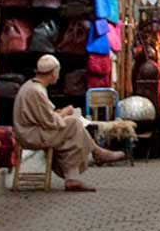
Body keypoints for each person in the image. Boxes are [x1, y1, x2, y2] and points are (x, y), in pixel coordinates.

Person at [13, 55, 124, 191]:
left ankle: (78, 172)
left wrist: (60, 114)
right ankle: (95, 153)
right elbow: (50, 122)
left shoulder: (32, 86)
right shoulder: (36, 91)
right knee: (73, 124)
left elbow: (44, 117)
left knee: (74, 129)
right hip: (31, 135)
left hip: (33, 131)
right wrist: (65, 112)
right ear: (54, 72)